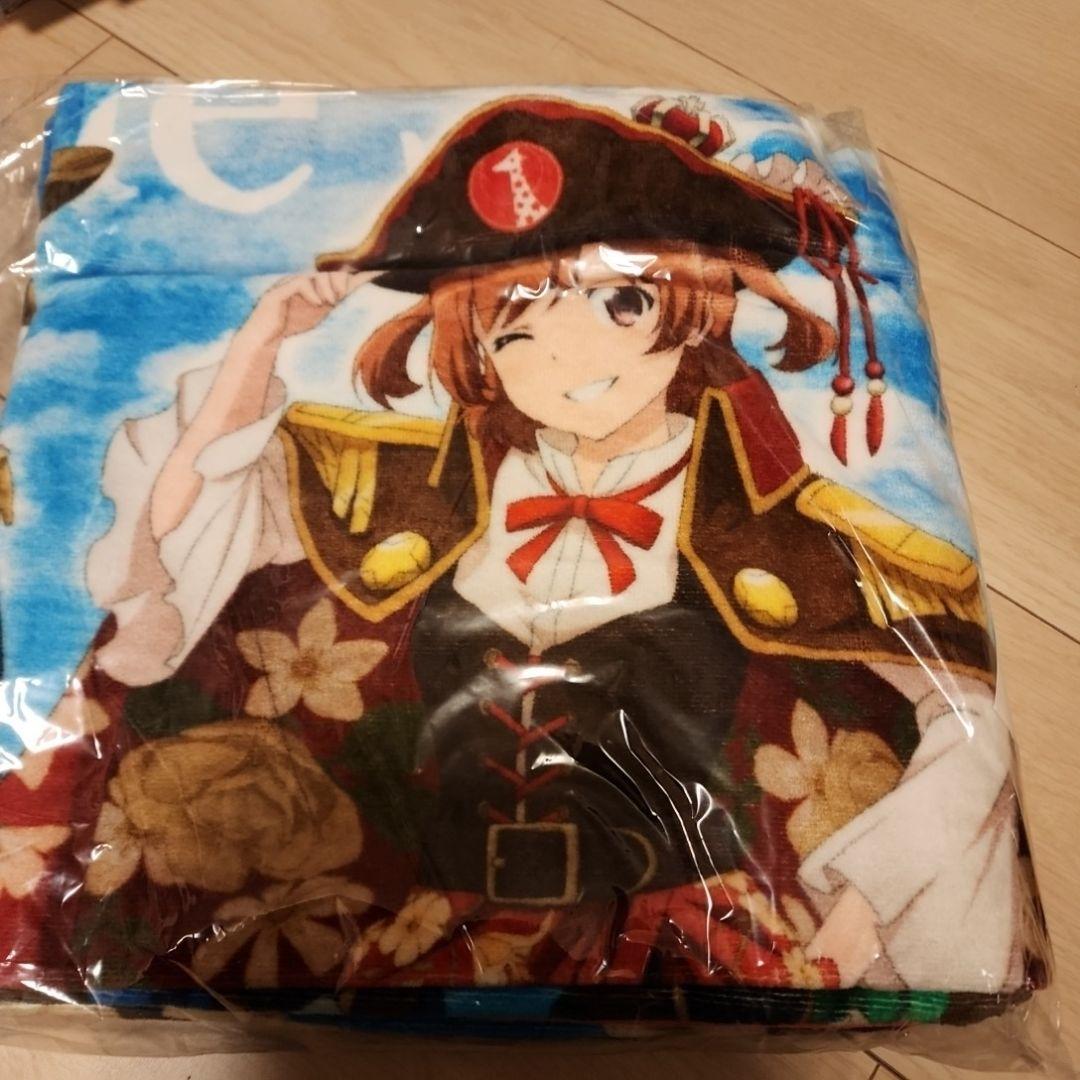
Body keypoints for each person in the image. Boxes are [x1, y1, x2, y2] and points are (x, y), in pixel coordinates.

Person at [55, 96, 1019, 998]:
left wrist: (862, 914)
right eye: (514, 324)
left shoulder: (786, 528)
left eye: (622, 305)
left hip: (686, 946)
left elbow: (965, 711)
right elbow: (174, 540)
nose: (568, 357)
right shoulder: (388, 487)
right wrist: (263, 339)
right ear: (473, 347)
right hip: (420, 937)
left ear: (698, 309)